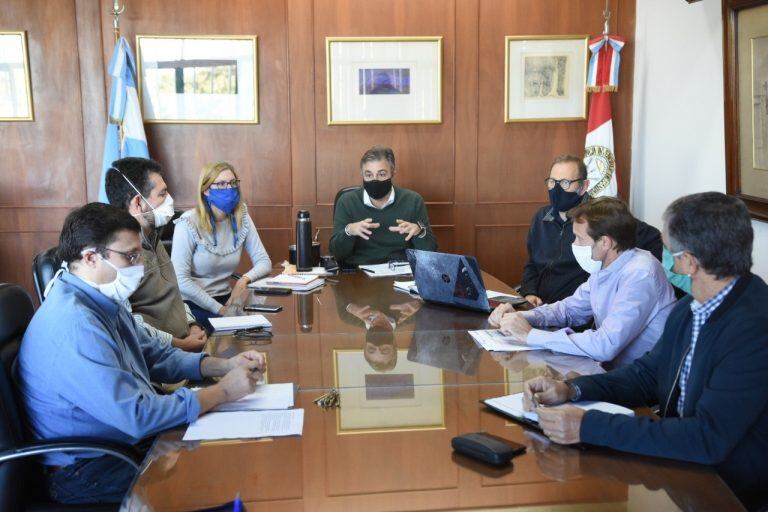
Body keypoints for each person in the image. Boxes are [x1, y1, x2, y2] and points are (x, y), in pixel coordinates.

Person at [521, 192, 768, 511]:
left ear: (689, 261)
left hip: (729, 490)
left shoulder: (753, 328)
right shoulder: (690, 309)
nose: (660, 256)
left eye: (667, 249)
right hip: (680, 464)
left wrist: (588, 425)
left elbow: (707, 438)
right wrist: (573, 388)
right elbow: (647, 374)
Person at [17, 203, 267, 505]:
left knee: (223, 461)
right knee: (209, 484)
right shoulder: (76, 325)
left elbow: (155, 356)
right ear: (90, 258)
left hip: (120, 444)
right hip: (88, 468)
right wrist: (223, 392)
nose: (140, 265)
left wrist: (223, 366)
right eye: (130, 256)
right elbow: (137, 415)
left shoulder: (100, 300)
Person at [489, 197, 675, 368]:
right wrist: (522, 317)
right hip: (608, 371)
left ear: (605, 242)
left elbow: (605, 345)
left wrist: (530, 335)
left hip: (638, 382)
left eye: (579, 238)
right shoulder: (605, 265)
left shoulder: (641, 275)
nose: (574, 245)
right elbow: (569, 310)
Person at [520, 155, 663, 307]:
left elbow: (654, 240)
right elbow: (532, 263)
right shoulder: (541, 218)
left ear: (584, 186)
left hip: (579, 310)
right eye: (552, 182)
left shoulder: (600, 217)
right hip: (540, 305)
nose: (556, 189)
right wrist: (529, 292)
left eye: (565, 183)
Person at [105, 157, 207, 351]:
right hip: (162, 360)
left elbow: (173, 295)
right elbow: (131, 326)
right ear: (138, 203)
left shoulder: (154, 236)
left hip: (186, 347)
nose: (170, 201)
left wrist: (192, 325)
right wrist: (180, 344)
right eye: (162, 194)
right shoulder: (117, 256)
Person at [171, 162, 272, 331]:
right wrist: (219, 310)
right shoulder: (188, 223)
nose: (229, 189)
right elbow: (180, 280)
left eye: (233, 183)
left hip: (227, 298)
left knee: (261, 327)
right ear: (206, 190)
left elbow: (264, 261)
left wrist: (243, 281)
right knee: (239, 330)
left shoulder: (242, 216)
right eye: (221, 184)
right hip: (192, 305)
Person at [330, 145, 437, 266]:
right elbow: (337, 254)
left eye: (381, 174)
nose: (374, 180)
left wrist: (419, 232)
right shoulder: (347, 202)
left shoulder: (413, 200)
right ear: (362, 174)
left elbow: (431, 252)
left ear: (392, 173)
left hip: (401, 272)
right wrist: (348, 231)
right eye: (369, 175)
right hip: (359, 273)